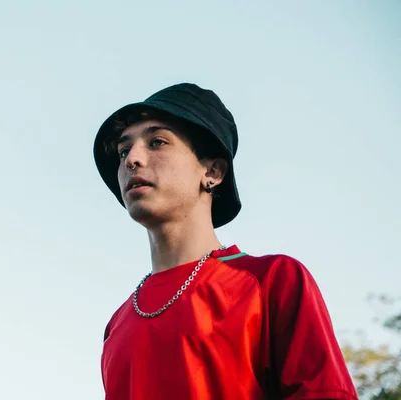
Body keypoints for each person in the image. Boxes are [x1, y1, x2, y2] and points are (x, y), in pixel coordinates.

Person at [93, 83, 358, 400]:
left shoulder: (272, 280)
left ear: (212, 171)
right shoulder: (117, 323)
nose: (132, 159)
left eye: (157, 142)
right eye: (124, 151)